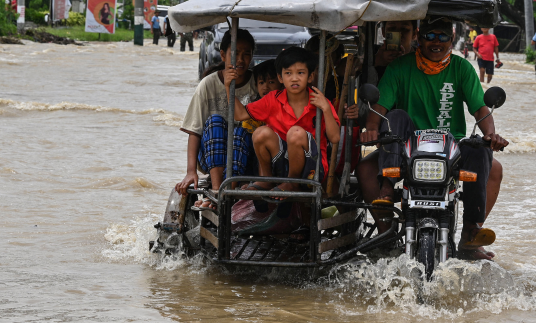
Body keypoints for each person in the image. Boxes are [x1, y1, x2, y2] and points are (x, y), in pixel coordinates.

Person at [357, 17, 509, 260]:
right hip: (407, 144)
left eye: (442, 37)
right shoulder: (400, 67)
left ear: (452, 40)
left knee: (492, 166)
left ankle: (471, 231)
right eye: (430, 36)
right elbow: (380, 109)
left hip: (452, 145)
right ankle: (385, 229)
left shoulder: (462, 68)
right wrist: (371, 130)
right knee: (366, 167)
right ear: (419, 37)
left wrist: (490, 135)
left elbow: (480, 109)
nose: (436, 42)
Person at [224, 47, 341, 197]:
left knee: (296, 133)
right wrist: (228, 86)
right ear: (280, 78)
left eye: (300, 73)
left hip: (313, 169)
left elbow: (335, 138)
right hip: (281, 166)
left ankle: (292, 182)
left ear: (310, 77)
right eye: (288, 73)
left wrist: (326, 108)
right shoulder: (272, 99)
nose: (294, 78)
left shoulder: (319, 100)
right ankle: (266, 179)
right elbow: (239, 114)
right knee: (260, 133)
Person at [174, 29, 258, 207]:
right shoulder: (208, 84)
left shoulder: (257, 83)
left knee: (241, 129)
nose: (241, 60)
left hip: (246, 156)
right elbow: (195, 130)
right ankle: (217, 191)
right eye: (235, 54)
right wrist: (190, 171)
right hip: (212, 158)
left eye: (246, 54)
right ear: (223, 55)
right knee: (215, 122)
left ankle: (230, 189)